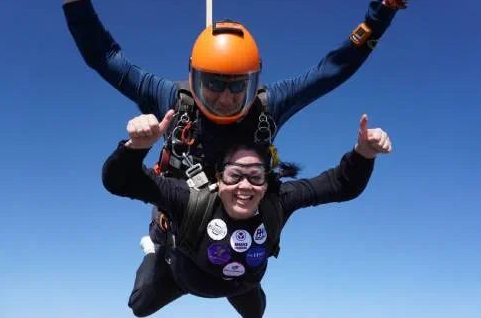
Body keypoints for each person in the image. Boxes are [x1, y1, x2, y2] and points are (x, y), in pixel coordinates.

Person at [62, 0, 421, 247]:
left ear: (256, 82)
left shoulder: (268, 106)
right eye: (212, 84)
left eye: (238, 86)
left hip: (241, 223)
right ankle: (156, 243)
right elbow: (103, 56)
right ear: (193, 78)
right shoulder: (171, 98)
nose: (225, 97)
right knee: (145, 292)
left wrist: (386, 9)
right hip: (179, 216)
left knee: (250, 294)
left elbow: (332, 70)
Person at [102, 110, 392, 317]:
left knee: (256, 315)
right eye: (234, 176)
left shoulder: (277, 202)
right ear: (218, 178)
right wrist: (134, 148)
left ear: (266, 183)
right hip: (181, 276)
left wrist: (363, 154)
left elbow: (340, 185)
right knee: (139, 307)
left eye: (255, 177)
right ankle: (153, 249)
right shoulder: (189, 201)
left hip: (241, 284)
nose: (245, 186)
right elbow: (120, 180)